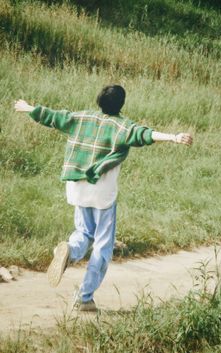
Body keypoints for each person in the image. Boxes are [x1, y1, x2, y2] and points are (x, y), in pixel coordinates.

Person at [14, 85, 193, 312]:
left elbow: (54, 116)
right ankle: (84, 298)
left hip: (77, 187)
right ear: (121, 104)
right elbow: (144, 135)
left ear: (99, 100)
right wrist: (174, 137)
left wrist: (27, 107)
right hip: (102, 193)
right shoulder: (121, 126)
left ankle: (70, 249)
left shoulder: (82, 118)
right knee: (102, 245)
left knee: (83, 232)